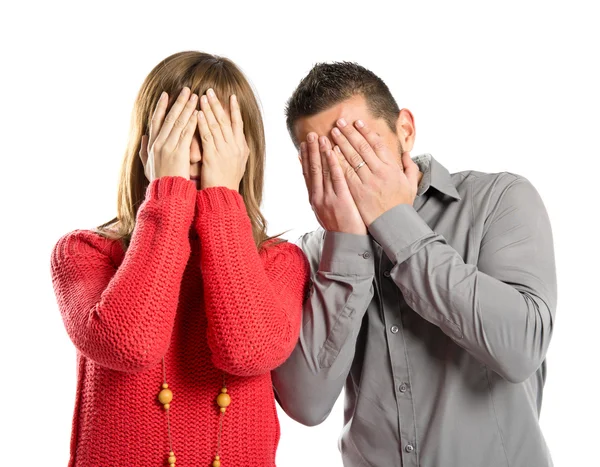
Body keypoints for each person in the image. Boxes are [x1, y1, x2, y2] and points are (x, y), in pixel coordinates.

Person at [272, 62, 556, 467]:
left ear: (404, 129)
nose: (348, 170)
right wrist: (346, 246)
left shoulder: (499, 200)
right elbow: (307, 405)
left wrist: (394, 223)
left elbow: (521, 349)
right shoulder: (314, 254)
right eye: (325, 161)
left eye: (360, 147)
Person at [50, 51, 309, 467]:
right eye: (179, 132)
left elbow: (249, 352)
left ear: (244, 154)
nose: (192, 155)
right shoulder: (85, 253)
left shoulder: (280, 262)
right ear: (147, 145)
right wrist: (168, 194)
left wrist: (222, 202)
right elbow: (129, 343)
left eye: (212, 135)